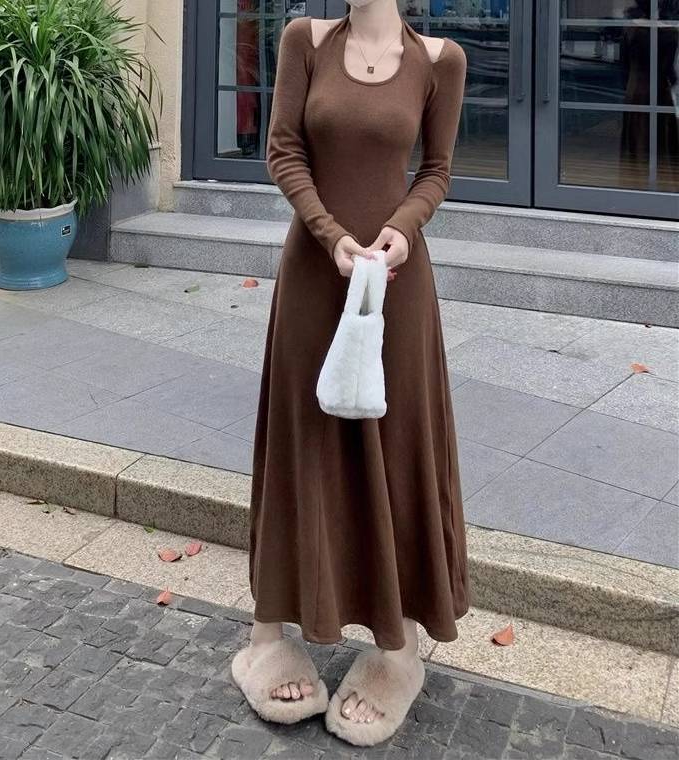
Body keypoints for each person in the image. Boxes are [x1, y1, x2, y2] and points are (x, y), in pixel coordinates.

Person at [231, 0, 470, 747]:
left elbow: (436, 170)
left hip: (397, 286)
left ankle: (399, 648)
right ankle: (267, 634)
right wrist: (333, 236)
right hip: (314, 273)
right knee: (301, 440)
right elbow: (283, 151)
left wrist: (400, 230)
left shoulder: (440, 60)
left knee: (396, 449)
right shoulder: (303, 40)